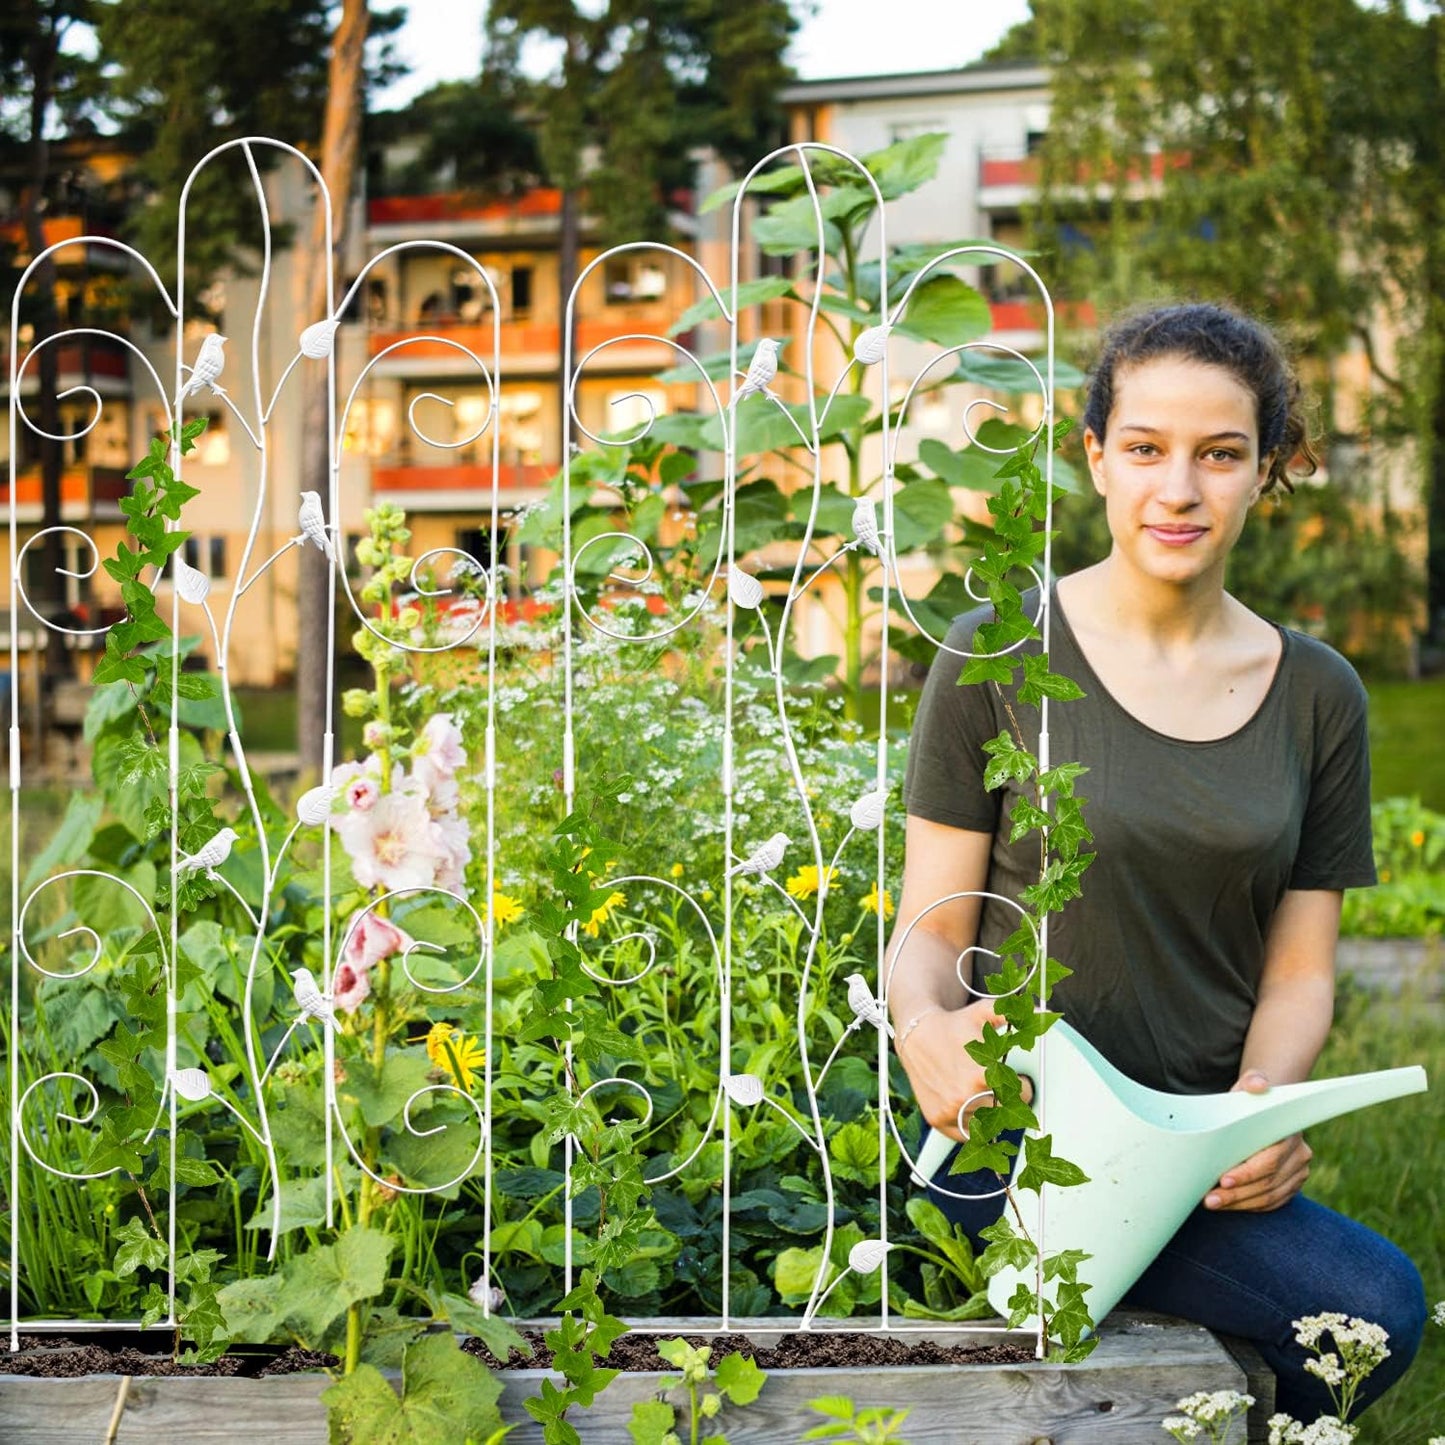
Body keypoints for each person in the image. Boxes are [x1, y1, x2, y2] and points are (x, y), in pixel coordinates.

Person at [888, 303, 1426, 1419]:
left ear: (1264, 470)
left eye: (1218, 454)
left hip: (1195, 1158)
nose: (1176, 488)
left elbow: (1297, 969)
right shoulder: (993, 649)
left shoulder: (1318, 694)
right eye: (1143, 448)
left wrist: (1263, 1110)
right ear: (1094, 457)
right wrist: (925, 1033)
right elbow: (930, 932)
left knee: (1373, 1308)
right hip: (1016, 1135)